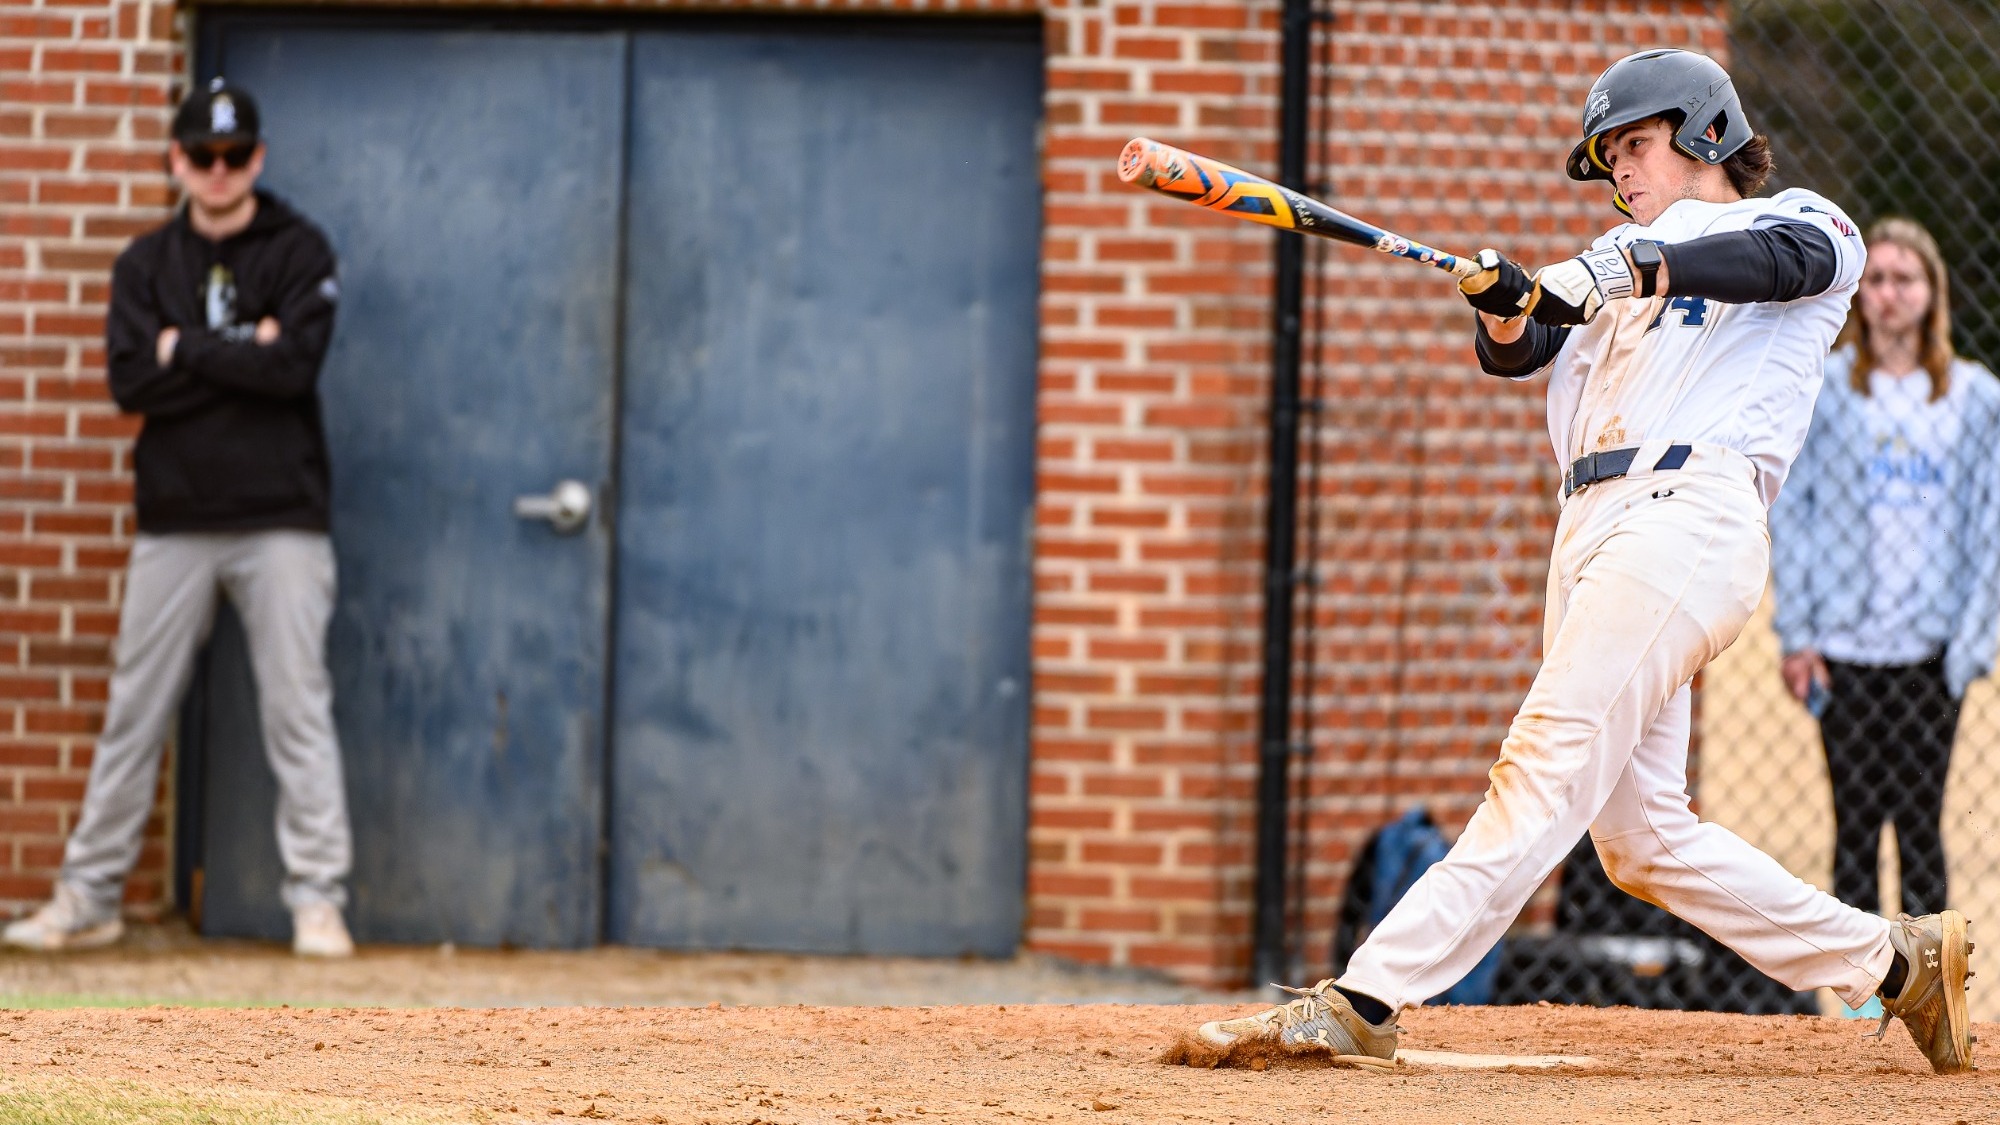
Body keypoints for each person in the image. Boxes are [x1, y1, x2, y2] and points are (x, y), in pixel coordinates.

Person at [1174, 49, 1972, 1075]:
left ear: (1705, 133)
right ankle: (1895, 962)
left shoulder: (1800, 227)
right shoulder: (1615, 255)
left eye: (1634, 146)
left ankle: (1364, 995)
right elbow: (1518, 351)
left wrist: (1614, 269)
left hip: (1685, 513)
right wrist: (1503, 303)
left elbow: (1780, 265)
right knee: (1638, 841)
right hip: (1592, 523)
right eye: (1608, 159)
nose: (1619, 174)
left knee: (1541, 763)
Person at [2, 78, 355, 957]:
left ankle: (318, 900)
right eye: (203, 156)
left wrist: (183, 350)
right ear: (177, 161)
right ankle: (89, 895)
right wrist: (245, 348)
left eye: (236, 157)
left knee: (296, 707)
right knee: (135, 708)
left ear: (258, 159)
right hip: (174, 518)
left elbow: (293, 372)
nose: (220, 171)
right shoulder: (143, 265)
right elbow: (132, 382)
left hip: (282, 517)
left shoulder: (300, 248)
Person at [1771, 217, 2000, 924]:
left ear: (1933, 294)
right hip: (1845, 647)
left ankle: (1936, 995)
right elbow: (1793, 513)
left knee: (1922, 826)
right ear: (1858, 293)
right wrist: (1798, 633)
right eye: (1876, 279)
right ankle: (1866, 1007)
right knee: (1857, 826)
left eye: (1906, 279)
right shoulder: (1828, 391)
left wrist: (1973, 640)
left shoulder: (1972, 397)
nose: (1890, 294)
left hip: (1929, 649)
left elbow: (1991, 527)